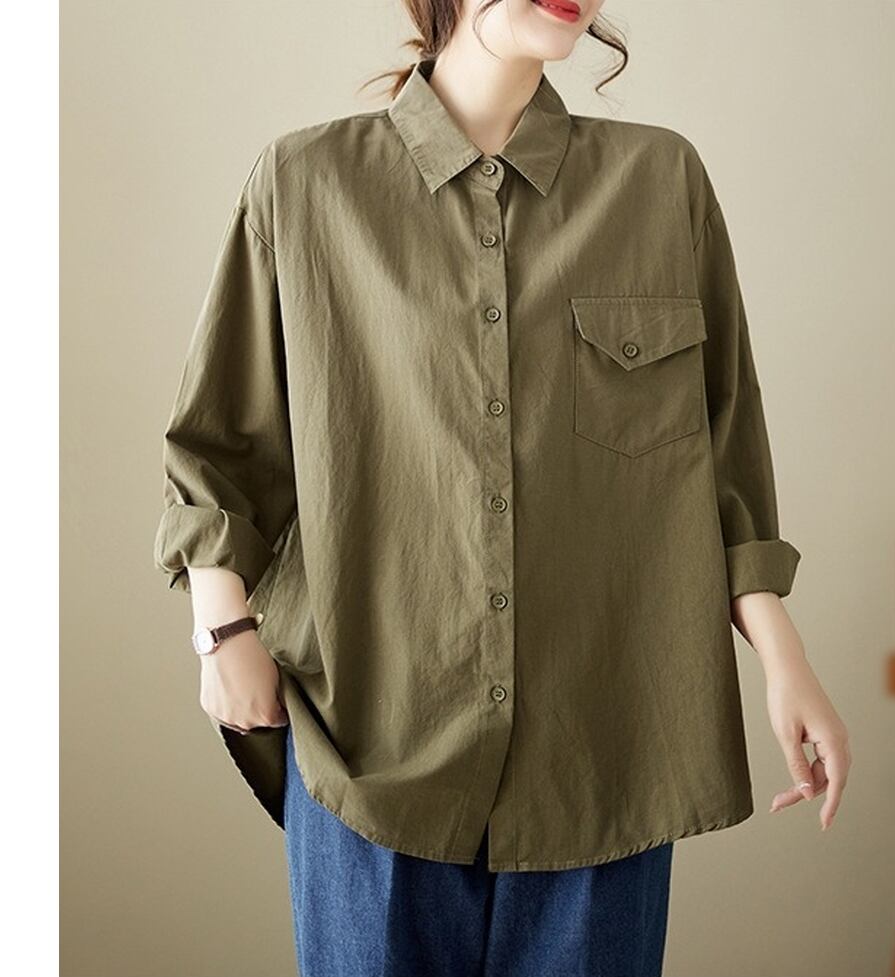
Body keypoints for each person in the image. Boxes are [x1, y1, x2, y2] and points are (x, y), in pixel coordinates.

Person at [152, 2, 852, 975]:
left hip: (605, 748)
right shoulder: (304, 182)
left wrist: (784, 659)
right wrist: (221, 632)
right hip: (370, 742)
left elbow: (721, 455)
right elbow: (221, 446)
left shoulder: (659, 181)